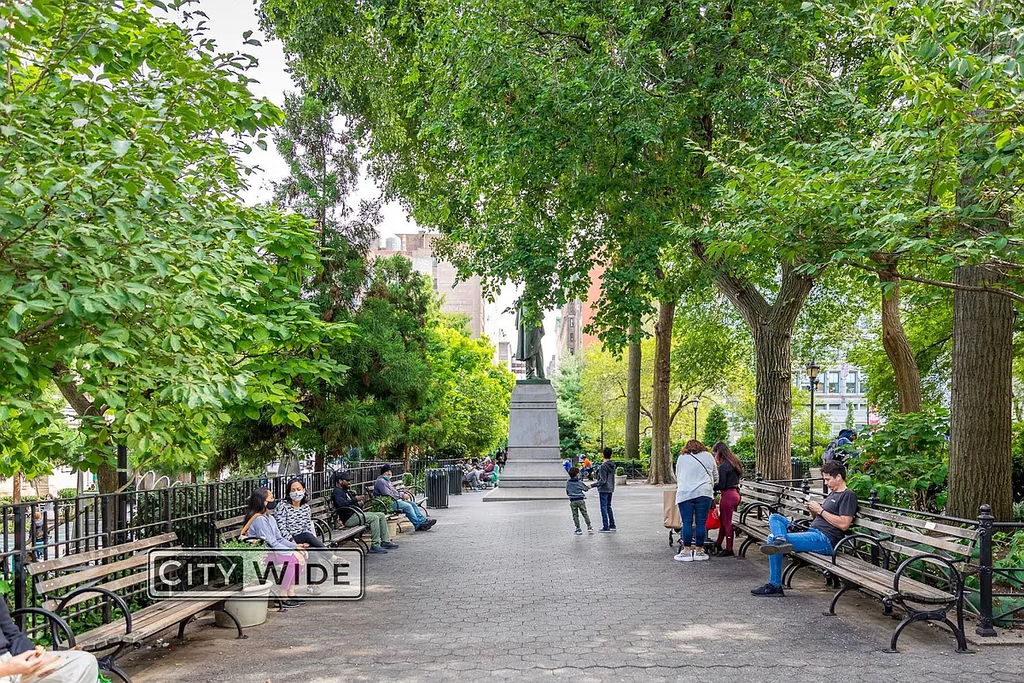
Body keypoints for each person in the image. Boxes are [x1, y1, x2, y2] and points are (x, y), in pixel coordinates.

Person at [751, 459, 858, 597]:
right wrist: (813, 510)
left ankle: (775, 585)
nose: (826, 483)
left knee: (771, 539)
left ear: (839, 477)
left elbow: (844, 524)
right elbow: (819, 519)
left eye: (828, 479)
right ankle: (781, 539)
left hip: (825, 540)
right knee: (775, 518)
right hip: (812, 533)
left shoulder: (847, 496)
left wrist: (820, 510)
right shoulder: (833, 494)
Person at [0, 597, 98, 683]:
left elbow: (11, 633)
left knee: (84, 661)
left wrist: (35, 657)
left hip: (11, 661)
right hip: (5, 669)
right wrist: (7, 669)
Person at [242, 488, 307, 607]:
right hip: (264, 553)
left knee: (300, 558)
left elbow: (279, 538)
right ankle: (282, 595)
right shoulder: (259, 519)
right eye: (271, 498)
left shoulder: (270, 518)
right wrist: (292, 552)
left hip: (274, 550)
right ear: (263, 502)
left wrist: (296, 547)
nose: (274, 500)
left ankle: (291, 592)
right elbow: (271, 542)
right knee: (292, 561)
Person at [674, 440, 719, 562]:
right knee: (701, 523)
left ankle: (687, 551)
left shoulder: (682, 458)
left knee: (687, 522)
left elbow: (678, 475)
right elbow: (715, 476)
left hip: (685, 493)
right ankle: (699, 551)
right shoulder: (709, 456)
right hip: (704, 493)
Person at [332, 471, 398, 554]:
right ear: (340, 481)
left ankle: (385, 541)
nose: (349, 482)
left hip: (357, 514)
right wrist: (355, 499)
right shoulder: (337, 492)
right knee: (374, 518)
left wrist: (357, 501)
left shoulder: (345, 491)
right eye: (347, 480)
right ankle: (375, 545)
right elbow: (341, 504)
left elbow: (351, 502)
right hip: (349, 518)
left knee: (381, 515)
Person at [374, 465, 436, 531]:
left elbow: (394, 492)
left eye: (390, 471)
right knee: (408, 506)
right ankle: (418, 524)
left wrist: (402, 495)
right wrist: (402, 496)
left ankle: (423, 521)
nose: (389, 473)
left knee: (412, 504)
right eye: (387, 471)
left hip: (394, 500)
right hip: (388, 503)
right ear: (383, 473)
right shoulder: (381, 481)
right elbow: (388, 495)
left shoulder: (387, 481)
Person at [711, 442, 743, 557]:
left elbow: (722, 484)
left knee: (726, 522)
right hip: (735, 494)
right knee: (723, 520)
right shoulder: (734, 462)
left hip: (728, 496)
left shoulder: (723, 466)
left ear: (719, 453)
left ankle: (729, 549)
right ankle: (718, 543)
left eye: (715, 454)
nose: (715, 457)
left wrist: (711, 485)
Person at [275, 478, 325, 549]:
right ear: (289, 492)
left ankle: (333, 559)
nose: (296, 492)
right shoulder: (282, 506)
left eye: (298, 489)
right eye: (293, 490)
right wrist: (294, 544)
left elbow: (307, 527)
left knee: (313, 551)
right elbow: (281, 528)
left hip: (304, 538)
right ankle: (333, 557)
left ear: (304, 490)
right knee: (307, 536)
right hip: (288, 540)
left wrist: (305, 543)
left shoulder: (306, 507)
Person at [592, 448, 617, 532]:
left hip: (603, 489)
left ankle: (606, 526)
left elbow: (603, 480)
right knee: (608, 506)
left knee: (603, 507)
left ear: (603, 454)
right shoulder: (612, 465)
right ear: (611, 455)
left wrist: (593, 485)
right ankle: (612, 524)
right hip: (610, 488)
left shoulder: (603, 466)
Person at [565, 467, 594, 535]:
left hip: (573, 501)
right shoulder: (579, 482)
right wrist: (590, 486)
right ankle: (589, 526)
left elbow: (567, 491)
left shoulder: (568, 482)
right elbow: (585, 489)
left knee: (575, 515)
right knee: (584, 513)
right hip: (580, 500)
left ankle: (578, 528)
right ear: (577, 474)